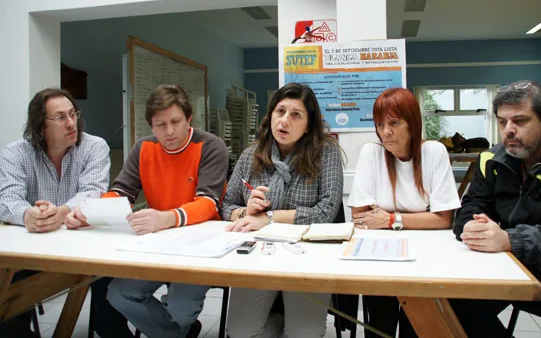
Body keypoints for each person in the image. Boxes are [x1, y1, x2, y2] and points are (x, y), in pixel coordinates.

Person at [66, 84, 228, 338]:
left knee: (180, 312)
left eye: (175, 122)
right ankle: (179, 334)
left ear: (189, 119)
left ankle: (178, 328)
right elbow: (121, 191)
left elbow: (208, 203)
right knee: (118, 294)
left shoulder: (211, 146)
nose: (170, 131)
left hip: (201, 247)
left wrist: (166, 218)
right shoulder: (144, 148)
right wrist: (91, 212)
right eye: (160, 125)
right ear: (151, 126)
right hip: (158, 243)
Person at [452, 81, 541, 337]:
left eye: (520, 121)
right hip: (512, 269)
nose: (509, 130)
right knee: (446, 306)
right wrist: (471, 226)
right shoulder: (493, 158)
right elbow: (472, 205)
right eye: (502, 122)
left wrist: (510, 240)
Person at [0, 88, 127, 337]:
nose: (71, 124)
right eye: (60, 118)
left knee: (109, 287)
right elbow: (7, 199)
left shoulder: (94, 147)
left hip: (85, 248)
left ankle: (109, 327)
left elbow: (92, 192)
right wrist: (28, 215)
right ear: (40, 126)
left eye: (73, 114)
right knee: (7, 308)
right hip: (33, 251)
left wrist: (62, 212)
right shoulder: (15, 153)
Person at [222, 83, 343, 338]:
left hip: (307, 257)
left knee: (304, 334)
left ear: (309, 124)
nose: (285, 121)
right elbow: (226, 207)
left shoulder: (325, 152)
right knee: (240, 332)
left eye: (296, 114)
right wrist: (247, 211)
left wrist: (268, 218)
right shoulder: (250, 155)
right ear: (271, 116)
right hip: (258, 257)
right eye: (280, 111)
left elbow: (326, 212)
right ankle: (277, 323)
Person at [348, 87, 461, 338]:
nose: (385, 132)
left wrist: (389, 218)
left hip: (425, 256)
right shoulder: (372, 153)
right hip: (379, 256)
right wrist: (421, 217)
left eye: (394, 123)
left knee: (417, 324)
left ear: (412, 124)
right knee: (380, 325)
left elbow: (444, 219)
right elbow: (361, 218)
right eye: (379, 124)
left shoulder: (433, 152)